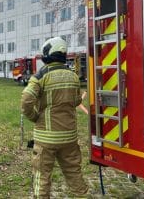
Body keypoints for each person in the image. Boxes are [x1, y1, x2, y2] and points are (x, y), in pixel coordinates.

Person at [21, 37, 88, 198]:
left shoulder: (41, 76)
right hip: (69, 137)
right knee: (74, 173)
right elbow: (77, 100)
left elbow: (26, 101)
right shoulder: (73, 76)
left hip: (46, 138)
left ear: (49, 53)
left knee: (42, 176)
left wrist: (35, 117)